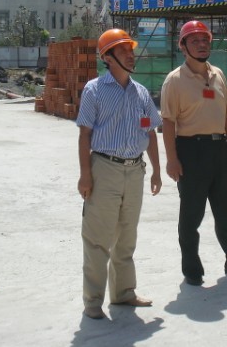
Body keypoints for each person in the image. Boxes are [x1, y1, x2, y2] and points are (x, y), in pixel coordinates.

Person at [161, 20, 227, 286]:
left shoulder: (217, 74)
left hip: (220, 149)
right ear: (183, 46)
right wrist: (172, 159)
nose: (202, 44)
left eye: (205, 40)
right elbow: (168, 122)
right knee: (191, 213)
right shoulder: (175, 80)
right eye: (194, 40)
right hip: (190, 151)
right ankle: (192, 268)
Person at [76, 28, 162, 320]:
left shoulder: (141, 93)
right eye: (123, 49)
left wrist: (156, 171)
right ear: (108, 57)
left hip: (135, 170)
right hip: (105, 169)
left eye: (130, 48)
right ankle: (93, 300)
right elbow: (84, 135)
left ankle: (124, 293)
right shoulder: (94, 90)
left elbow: (150, 133)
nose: (130, 53)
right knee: (98, 238)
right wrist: (85, 175)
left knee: (126, 236)